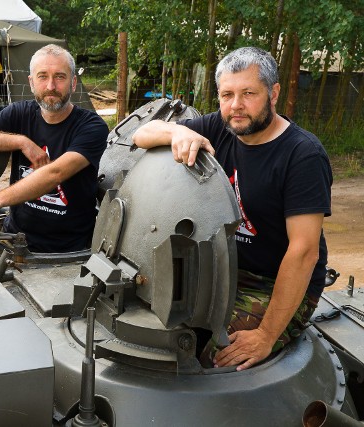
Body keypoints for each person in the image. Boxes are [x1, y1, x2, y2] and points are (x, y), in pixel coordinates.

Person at [132, 47, 332, 371]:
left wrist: (266, 335)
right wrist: (178, 130)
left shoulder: (302, 155)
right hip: (221, 267)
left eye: (248, 93)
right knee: (157, 335)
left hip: (273, 279)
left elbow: (304, 251)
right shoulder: (218, 128)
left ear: (274, 93)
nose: (236, 105)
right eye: (227, 94)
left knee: (218, 361)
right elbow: (142, 134)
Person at [0, 44, 109, 253]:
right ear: (31, 82)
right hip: (15, 240)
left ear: (73, 83)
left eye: (60, 77)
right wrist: (21, 142)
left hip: (68, 250)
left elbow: (55, 173)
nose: (50, 86)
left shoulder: (92, 127)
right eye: (42, 76)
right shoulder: (19, 114)